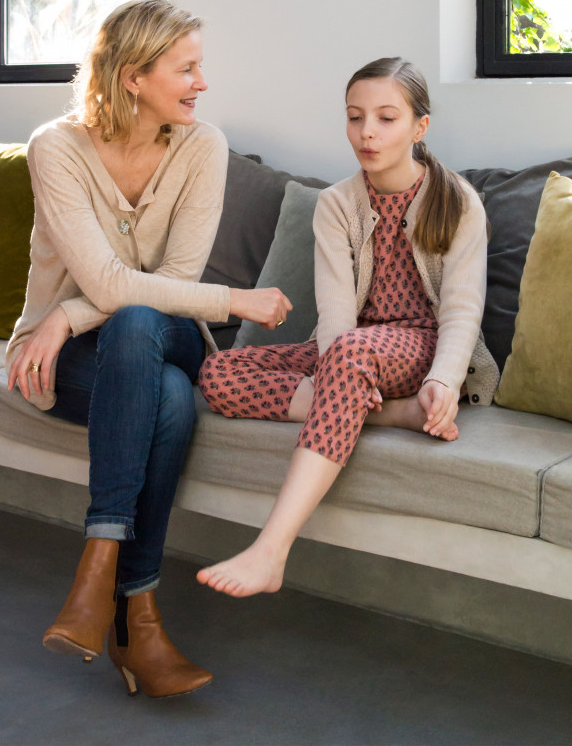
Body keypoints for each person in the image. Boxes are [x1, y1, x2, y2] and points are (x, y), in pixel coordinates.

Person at [6, 0, 291, 697]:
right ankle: (137, 621)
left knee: (136, 325)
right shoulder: (55, 148)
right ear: (132, 77)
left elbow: (167, 285)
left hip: (164, 333)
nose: (201, 83)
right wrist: (236, 301)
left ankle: (96, 566)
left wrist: (67, 314)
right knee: (165, 399)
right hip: (69, 363)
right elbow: (107, 279)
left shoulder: (202, 147)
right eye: (186, 68)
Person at [196, 56, 500, 599]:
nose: (366, 132)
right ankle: (395, 414)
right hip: (349, 351)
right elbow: (335, 318)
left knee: (353, 354)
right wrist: (340, 365)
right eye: (355, 117)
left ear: (419, 127)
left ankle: (271, 550)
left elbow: (460, 310)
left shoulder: (458, 203)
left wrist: (444, 382)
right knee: (218, 372)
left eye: (386, 118)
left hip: (421, 348)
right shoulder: (336, 205)